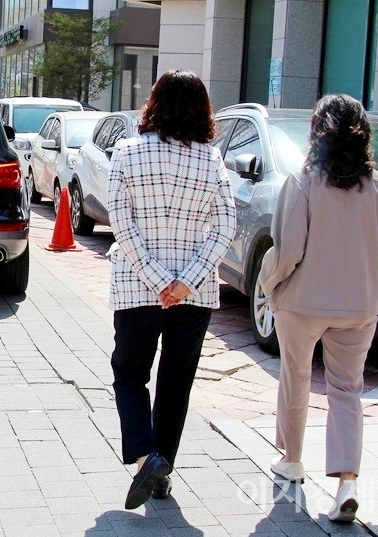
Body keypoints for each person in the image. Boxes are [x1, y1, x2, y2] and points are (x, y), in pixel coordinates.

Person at [258, 94, 378, 523]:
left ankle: (292, 458)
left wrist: (270, 284)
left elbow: (287, 253)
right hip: (358, 305)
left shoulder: (302, 183)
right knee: (347, 390)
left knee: (296, 376)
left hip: (302, 302)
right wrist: (372, 292)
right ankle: (347, 484)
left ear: (317, 133)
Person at [107, 70, 236, 509]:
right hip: (193, 295)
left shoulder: (125, 152)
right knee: (176, 383)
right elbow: (224, 228)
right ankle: (162, 472)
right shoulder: (212, 161)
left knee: (130, 374)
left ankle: (147, 456)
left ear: (154, 104)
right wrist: (184, 281)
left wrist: (158, 280)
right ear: (203, 111)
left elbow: (121, 224)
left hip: (136, 289)